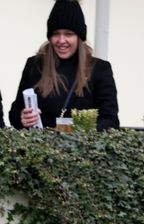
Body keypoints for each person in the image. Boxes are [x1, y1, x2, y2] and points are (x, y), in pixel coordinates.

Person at [9, 0, 119, 131]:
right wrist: (22, 118)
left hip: (82, 149)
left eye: (69, 34)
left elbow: (110, 120)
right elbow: (15, 113)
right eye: (56, 34)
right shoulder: (35, 65)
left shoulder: (99, 69)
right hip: (40, 149)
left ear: (79, 37)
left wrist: (77, 132)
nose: (61, 41)